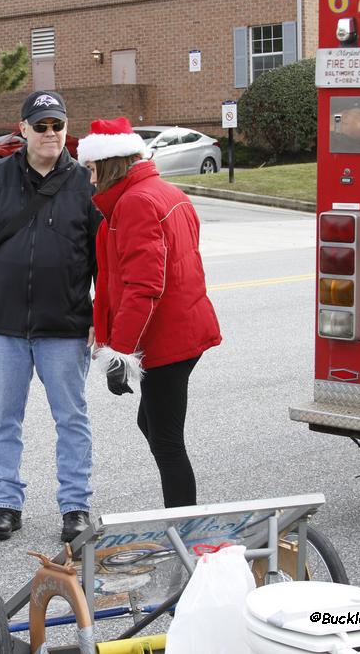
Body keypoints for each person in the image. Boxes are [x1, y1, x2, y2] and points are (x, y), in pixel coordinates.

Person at [0, 90, 102, 542]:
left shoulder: (85, 183)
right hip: (4, 326)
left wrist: (104, 317)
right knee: (4, 418)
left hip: (66, 324)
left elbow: (104, 257)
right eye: (41, 126)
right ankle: (6, 503)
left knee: (72, 418)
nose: (51, 134)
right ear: (22, 130)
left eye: (58, 125)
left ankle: (75, 507)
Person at [77, 116, 221, 509]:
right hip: (184, 331)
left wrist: (119, 354)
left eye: (91, 169)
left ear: (109, 164)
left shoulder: (136, 203)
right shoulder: (163, 192)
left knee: (167, 443)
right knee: (153, 426)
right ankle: (183, 525)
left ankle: (185, 534)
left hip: (166, 342)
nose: (89, 180)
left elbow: (144, 287)